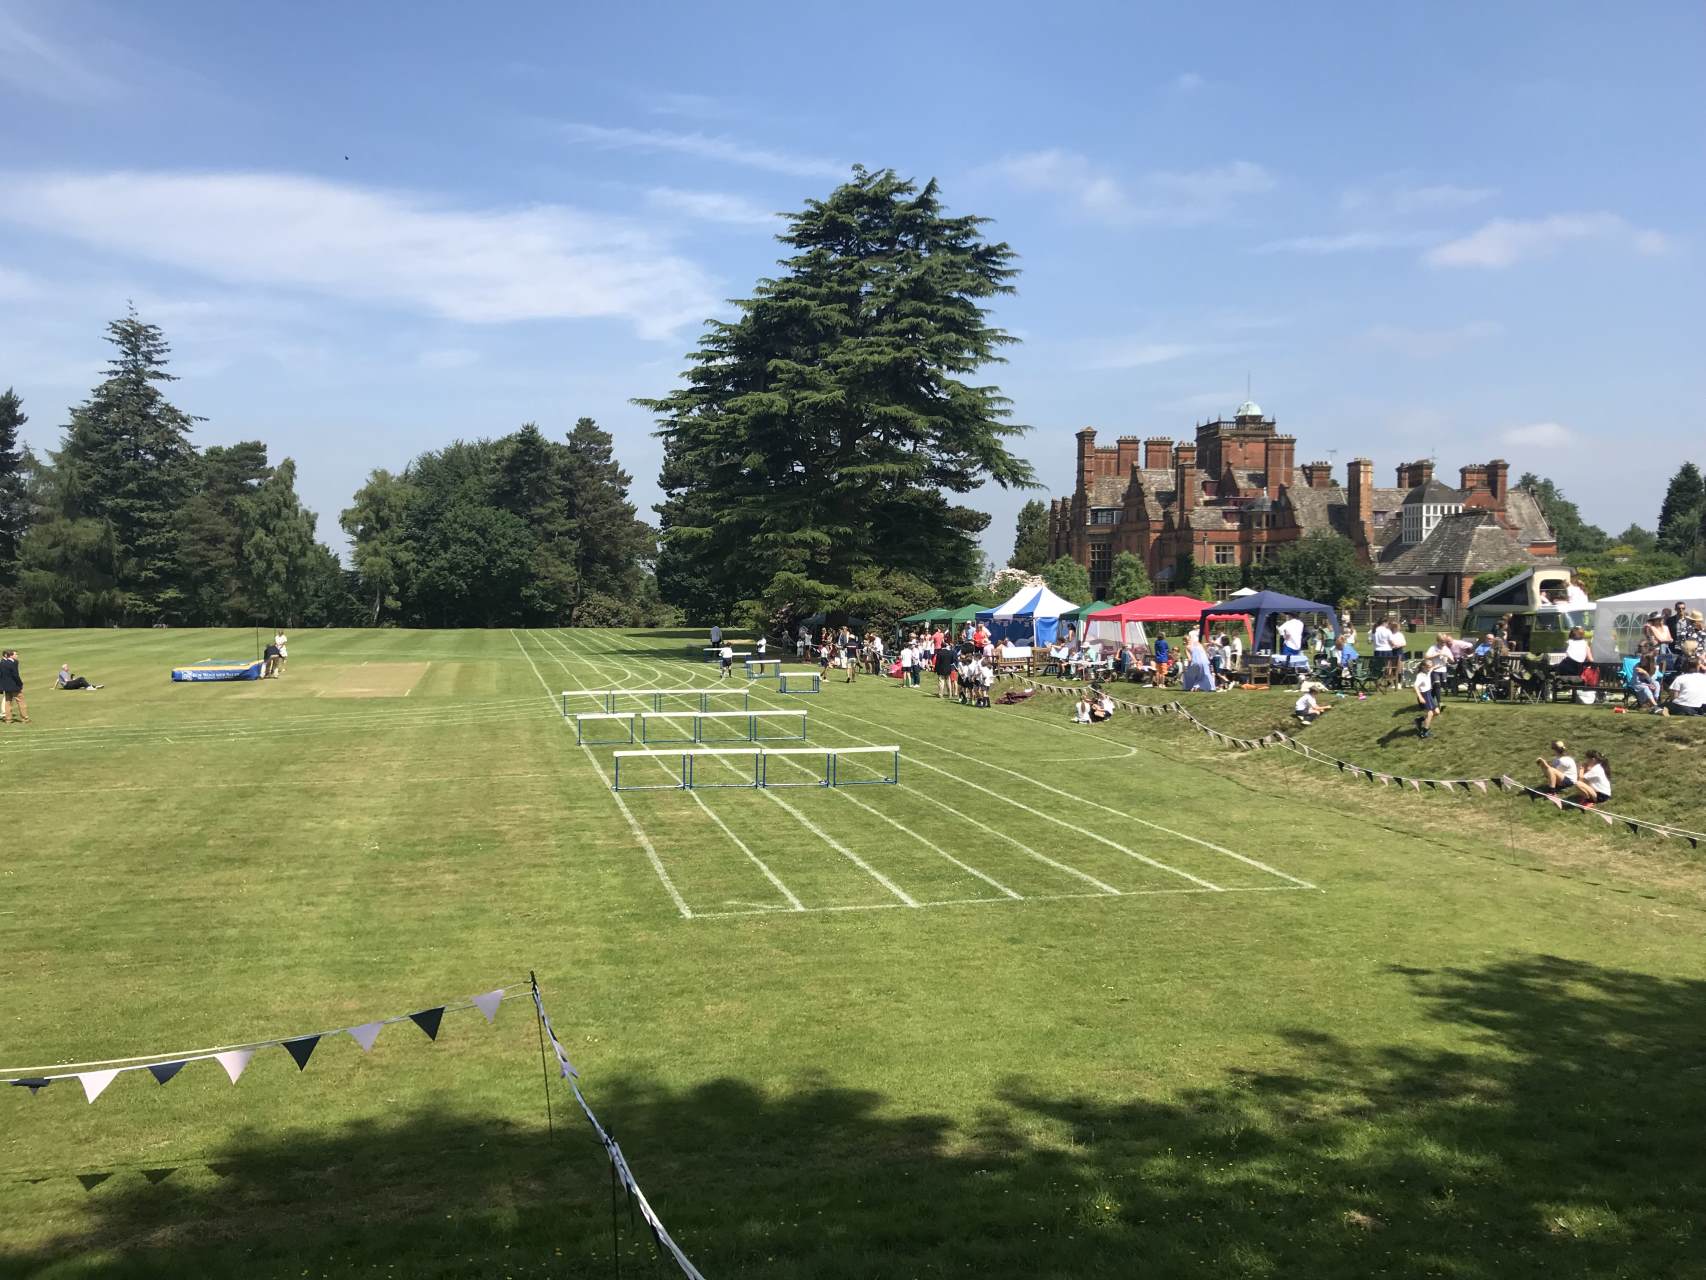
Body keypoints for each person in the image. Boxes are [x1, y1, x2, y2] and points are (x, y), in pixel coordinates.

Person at [1414, 660, 1441, 738]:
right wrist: (1420, 697)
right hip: (1424, 695)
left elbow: (1433, 668)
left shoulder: (1428, 671)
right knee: (1430, 713)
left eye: (1430, 666)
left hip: (1429, 694)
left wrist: (1439, 665)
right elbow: (1415, 686)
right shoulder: (1420, 676)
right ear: (1423, 667)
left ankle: (1419, 720)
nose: (1430, 668)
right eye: (1428, 666)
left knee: (1437, 712)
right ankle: (1424, 732)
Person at [0, 649, 27, 724]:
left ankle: (8, 719)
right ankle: (25, 718)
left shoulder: (2, 663)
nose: (17, 656)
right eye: (15, 654)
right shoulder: (12, 663)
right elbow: (15, 675)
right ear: (10, 655)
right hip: (14, 686)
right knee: (21, 702)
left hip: (6, 687)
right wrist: (20, 683)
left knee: (7, 702)